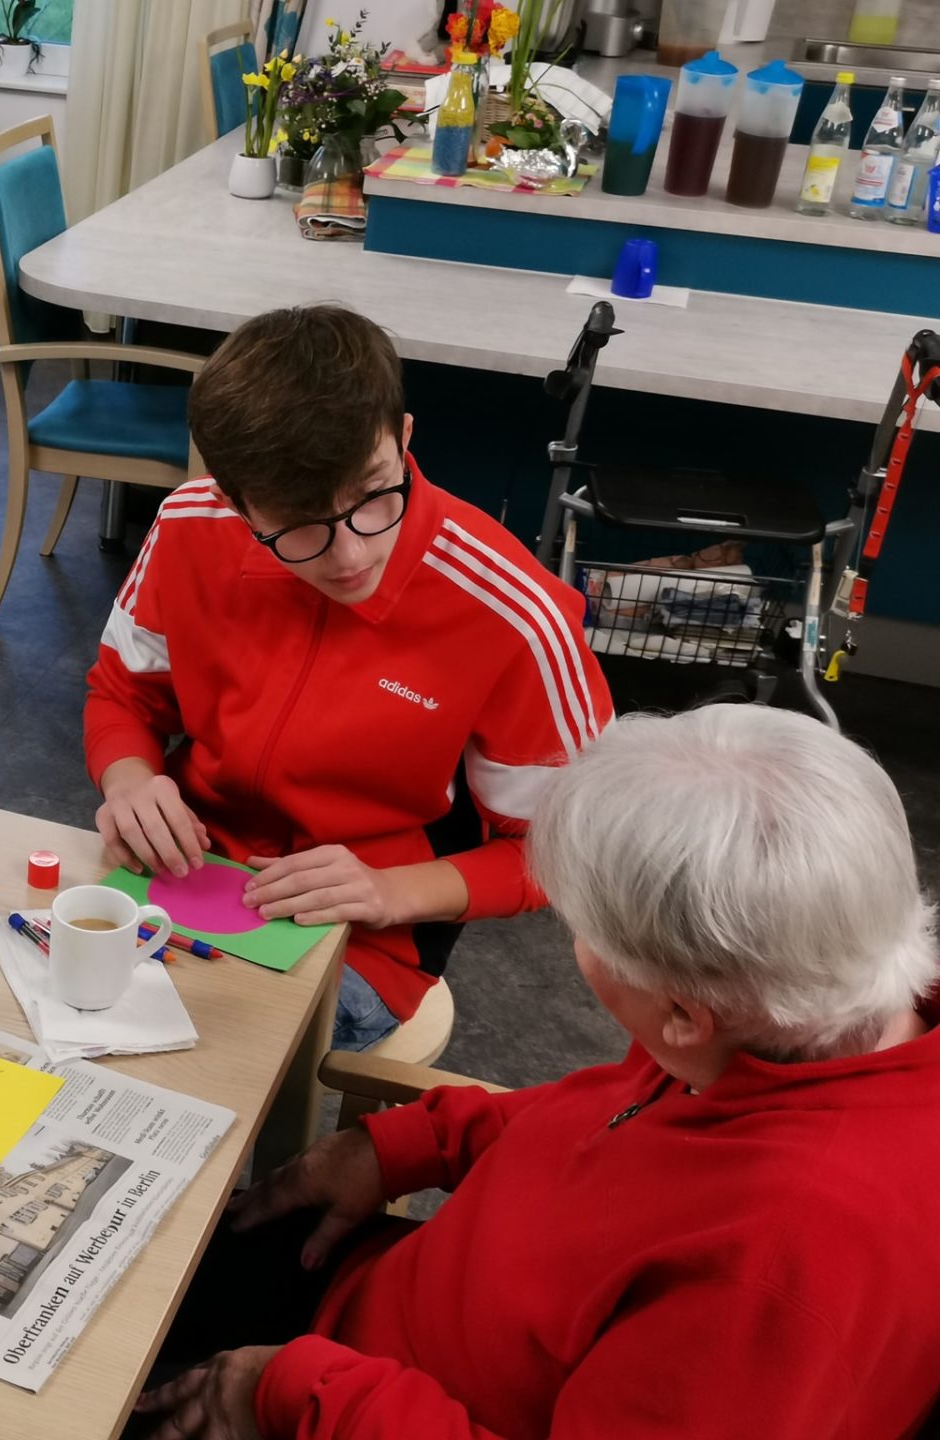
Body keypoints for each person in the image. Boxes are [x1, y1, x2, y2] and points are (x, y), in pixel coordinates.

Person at [135, 704, 940, 1439]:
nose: (574, 940)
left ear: (685, 1016)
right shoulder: (800, 1009)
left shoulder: (776, 1279)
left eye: (582, 931)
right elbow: (612, 1122)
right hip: (374, 1315)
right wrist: (412, 1143)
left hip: (352, 1403)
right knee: (131, 1246)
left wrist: (295, 1393)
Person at [85, 306, 612, 1050]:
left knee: (187, 1054)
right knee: (61, 1006)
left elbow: (569, 853)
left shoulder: (517, 613)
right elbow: (121, 694)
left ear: (402, 438)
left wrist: (389, 892)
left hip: (367, 934)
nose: (350, 556)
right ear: (236, 501)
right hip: (180, 873)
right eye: (299, 523)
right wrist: (129, 780)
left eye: (372, 493)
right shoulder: (186, 525)